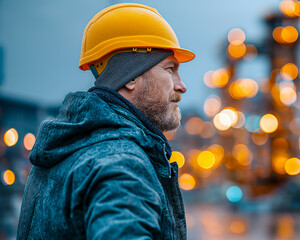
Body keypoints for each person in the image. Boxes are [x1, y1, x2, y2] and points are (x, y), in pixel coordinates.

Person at [17, 3, 194, 239]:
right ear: (131, 77)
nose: (181, 85)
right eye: (170, 69)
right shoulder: (121, 164)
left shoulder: (68, 147)